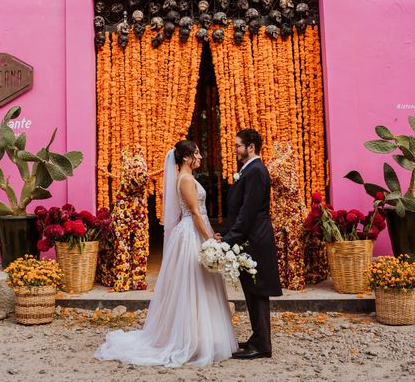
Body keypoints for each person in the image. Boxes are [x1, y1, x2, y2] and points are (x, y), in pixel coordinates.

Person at [95, 141, 237, 367]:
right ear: (186, 158)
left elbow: (200, 214)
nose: (200, 157)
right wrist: (208, 238)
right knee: (192, 284)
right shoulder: (186, 179)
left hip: (196, 232)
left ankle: (202, 336)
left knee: (202, 284)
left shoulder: (186, 177)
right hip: (191, 234)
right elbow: (194, 213)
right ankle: (189, 338)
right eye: (196, 153)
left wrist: (211, 235)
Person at [216, 129, 282, 359]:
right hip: (248, 239)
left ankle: (263, 346)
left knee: (258, 290)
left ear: (250, 147)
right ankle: (257, 338)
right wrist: (225, 232)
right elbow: (240, 211)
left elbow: (248, 212)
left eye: (237, 146)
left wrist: (228, 238)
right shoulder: (249, 170)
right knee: (252, 290)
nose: (235, 150)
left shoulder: (255, 171)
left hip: (254, 239)